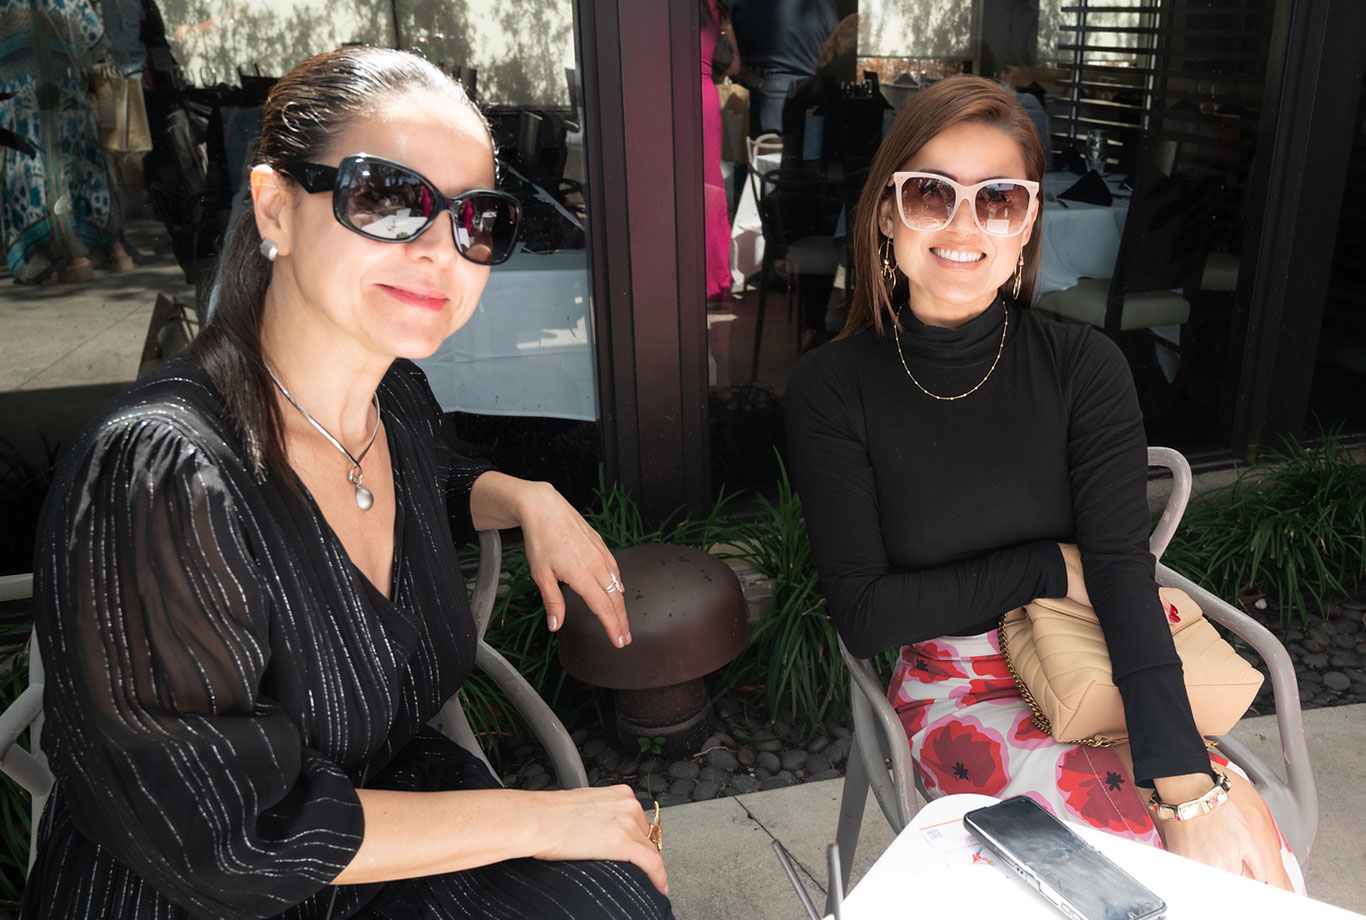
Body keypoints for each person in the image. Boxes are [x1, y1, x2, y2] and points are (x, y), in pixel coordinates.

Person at [26, 46, 672, 919]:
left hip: (375, 823)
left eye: (476, 219)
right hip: (206, 891)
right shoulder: (159, 474)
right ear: (275, 208)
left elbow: (428, 481)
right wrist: (540, 817)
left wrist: (525, 496)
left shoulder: (392, 398)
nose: (441, 251)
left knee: (614, 897)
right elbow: (225, 836)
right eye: (388, 197)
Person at [784, 76, 1303, 891]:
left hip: (1097, 656)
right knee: (1117, 873)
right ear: (886, 213)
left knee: (1247, 870)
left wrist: (1187, 786)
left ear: (1026, 223)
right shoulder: (834, 387)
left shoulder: (1081, 367)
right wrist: (1047, 566)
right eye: (931, 193)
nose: (965, 225)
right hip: (956, 686)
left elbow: (1119, 577)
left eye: (997, 199)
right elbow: (867, 612)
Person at [1, 0, 133, 283]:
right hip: (70, 101)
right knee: (87, 175)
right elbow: (97, 46)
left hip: (22, 110)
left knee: (37, 181)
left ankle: (72, 258)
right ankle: (116, 250)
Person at [701, 0, 738, 302]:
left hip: (667, 95)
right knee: (711, 188)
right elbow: (734, 65)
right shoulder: (716, 8)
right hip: (705, 99)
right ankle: (716, 279)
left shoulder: (663, 10)